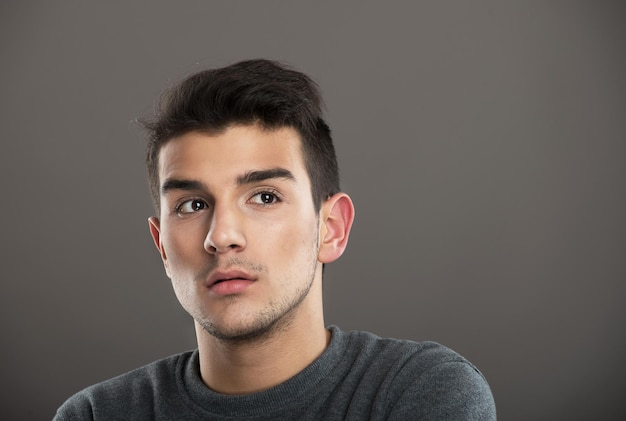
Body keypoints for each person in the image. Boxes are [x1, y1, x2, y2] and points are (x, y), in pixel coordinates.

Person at [54, 59, 496, 420]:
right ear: (162, 246)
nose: (222, 236)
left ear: (332, 228)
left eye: (264, 197)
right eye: (191, 205)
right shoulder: (95, 414)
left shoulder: (422, 393)